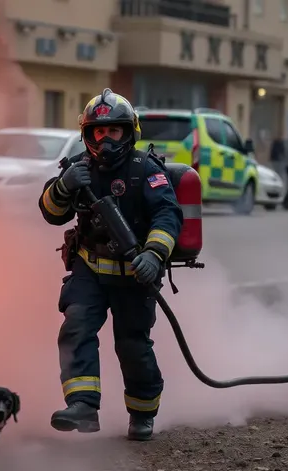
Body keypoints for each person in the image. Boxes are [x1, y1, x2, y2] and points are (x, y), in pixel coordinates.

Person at [38, 88, 183, 441]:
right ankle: (83, 406)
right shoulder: (78, 170)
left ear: (128, 132)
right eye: (97, 132)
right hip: (90, 268)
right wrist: (62, 187)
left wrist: (153, 254)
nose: (104, 139)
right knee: (76, 328)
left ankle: (143, 414)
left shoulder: (146, 170)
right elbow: (51, 214)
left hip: (135, 274)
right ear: (88, 136)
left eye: (113, 131)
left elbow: (168, 215)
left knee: (132, 345)